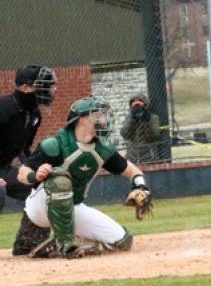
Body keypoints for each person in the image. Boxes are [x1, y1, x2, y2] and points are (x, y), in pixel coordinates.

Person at [17, 96, 151, 258]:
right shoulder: (56, 144)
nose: (103, 119)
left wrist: (141, 186)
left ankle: (62, 243)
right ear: (81, 119)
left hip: (72, 205)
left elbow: (133, 171)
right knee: (60, 180)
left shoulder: (102, 148)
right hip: (40, 206)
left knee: (122, 241)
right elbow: (22, 173)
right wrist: (35, 175)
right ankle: (65, 245)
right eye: (98, 115)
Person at [0, 65, 57, 254]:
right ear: (25, 88)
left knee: (43, 189)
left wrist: (33, 172)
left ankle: (28, 243)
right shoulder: (4, 108)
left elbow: (24, 149)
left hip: (4, 169)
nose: (50, 90)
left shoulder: (34, 114)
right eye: (44, 85)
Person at [120, 93, 161, 163]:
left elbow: (154, 136)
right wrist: (132, 120)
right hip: (132, 158)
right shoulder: (129, 118)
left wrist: (148, 120)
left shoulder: (153, 118)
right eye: (135, 106)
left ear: (145, 105)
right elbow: (125, 134)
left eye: (140, 105)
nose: (138, 108)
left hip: (149, 158)